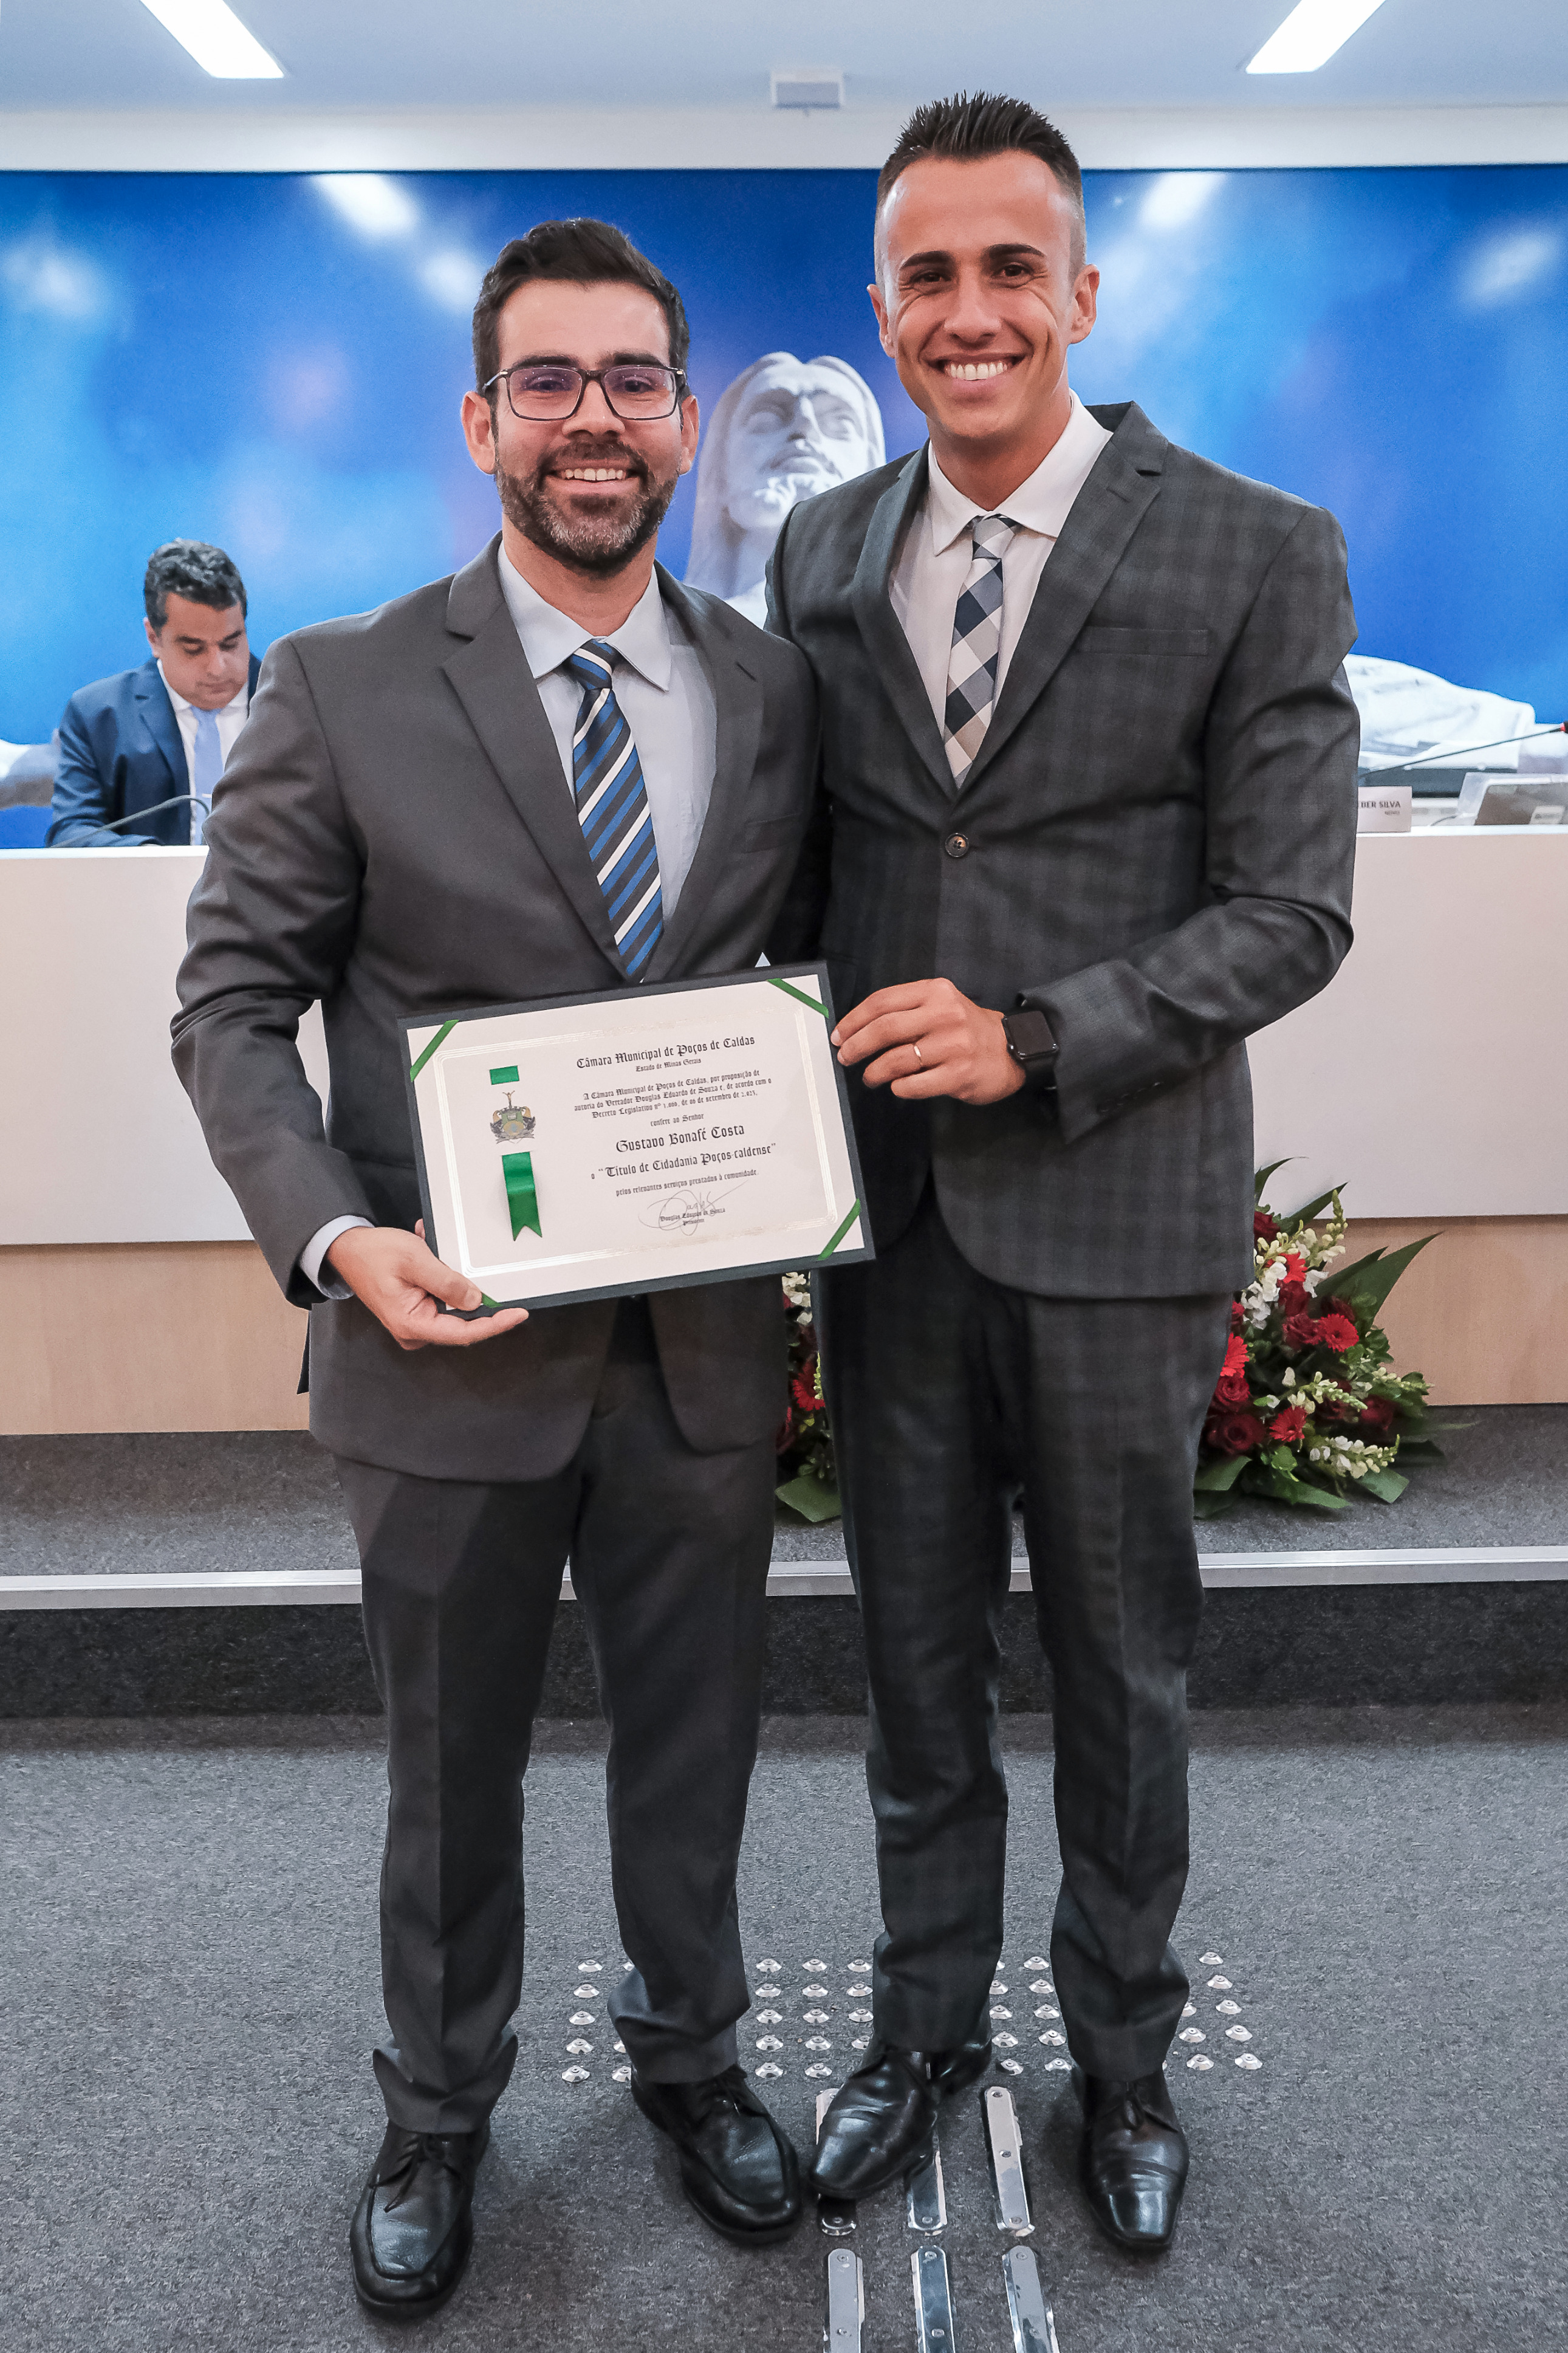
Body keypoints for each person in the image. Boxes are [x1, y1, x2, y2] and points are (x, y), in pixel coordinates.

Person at [173, 217, 818, 2318]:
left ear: (686, 417)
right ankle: (439, 2108)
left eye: (632, 380)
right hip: (437, 1344)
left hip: (699, 1352)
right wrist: (332, 1235)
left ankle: (692, 2059)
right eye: (548, 381)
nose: (591, 421)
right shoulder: (344, 683)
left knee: (696, 1748)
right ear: (481, 422)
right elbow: (230, 1005)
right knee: (446, 1773)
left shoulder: (774, 688)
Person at [766, 92, 1358, 2253]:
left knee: (1119, 1679)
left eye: (1008, 267)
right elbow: (811, 868)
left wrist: (1033, 1036)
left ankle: (1119, 2055)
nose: (969, 311)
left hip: (1113, 1210)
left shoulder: (1251, 547)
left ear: (1082, 291)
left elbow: (1288, 912)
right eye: (925, 274)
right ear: (880, 309)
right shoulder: (819, 551)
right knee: (912, 1673)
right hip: (892, 1229)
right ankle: (924, 2026)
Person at [48, 540, 258, 845]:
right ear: (154, 638)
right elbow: (71, 834)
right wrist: (154, 862)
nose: (217, 668)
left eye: (230, 643)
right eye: (194, 649)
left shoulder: (296, 702)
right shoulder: (98, 715)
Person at [685, 352, 884, 622]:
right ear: (720, 469)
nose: (805, 425)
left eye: (841, 425)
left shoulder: (917, 631)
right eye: (765, 420)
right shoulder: (663, 634)